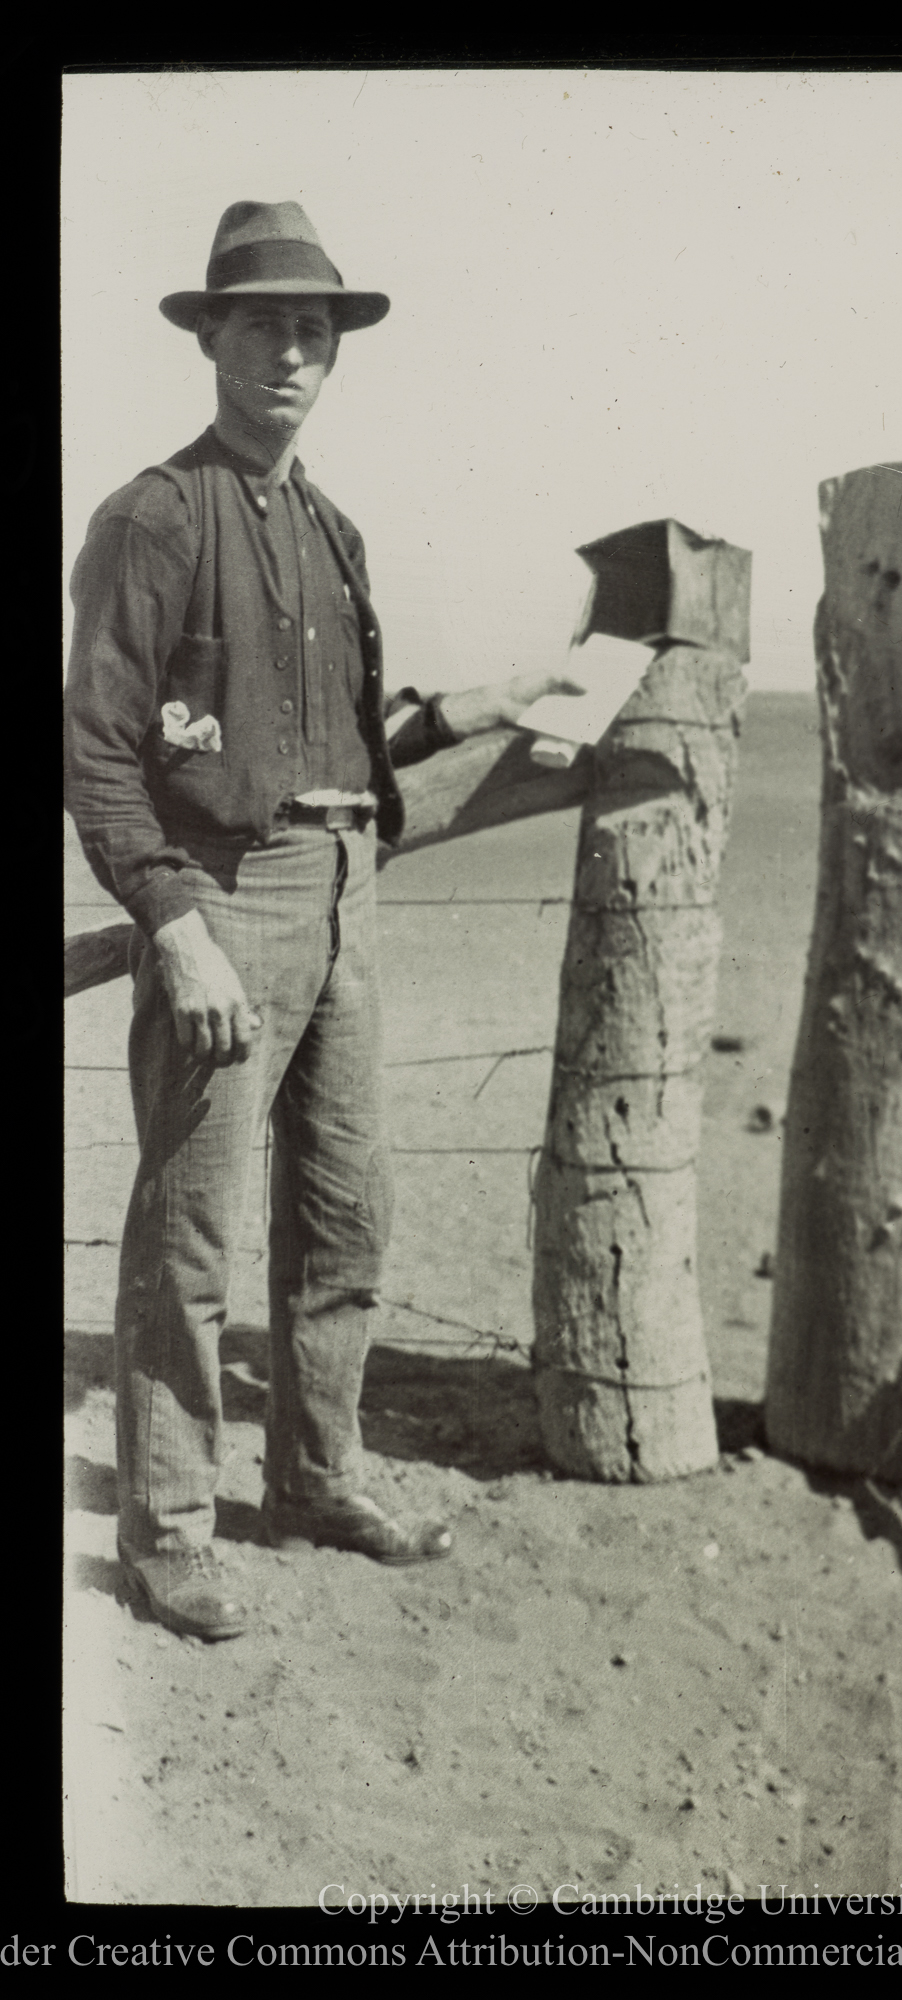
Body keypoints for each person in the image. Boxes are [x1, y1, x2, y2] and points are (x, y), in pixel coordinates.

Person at [64, 201, 578, 1643]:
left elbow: (333, 741)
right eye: (262, 326)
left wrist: (460, 712)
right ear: (210, 339)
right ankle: (168, 1534)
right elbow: (98, 750)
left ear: (335, 353)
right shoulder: (153, 518)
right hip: (229, 901)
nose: (289, 352)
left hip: (350, 892)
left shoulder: (333, 528)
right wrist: (174, 925)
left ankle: (316, 1479)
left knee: (349, 1216)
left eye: (313, 330)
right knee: (191, 1229)